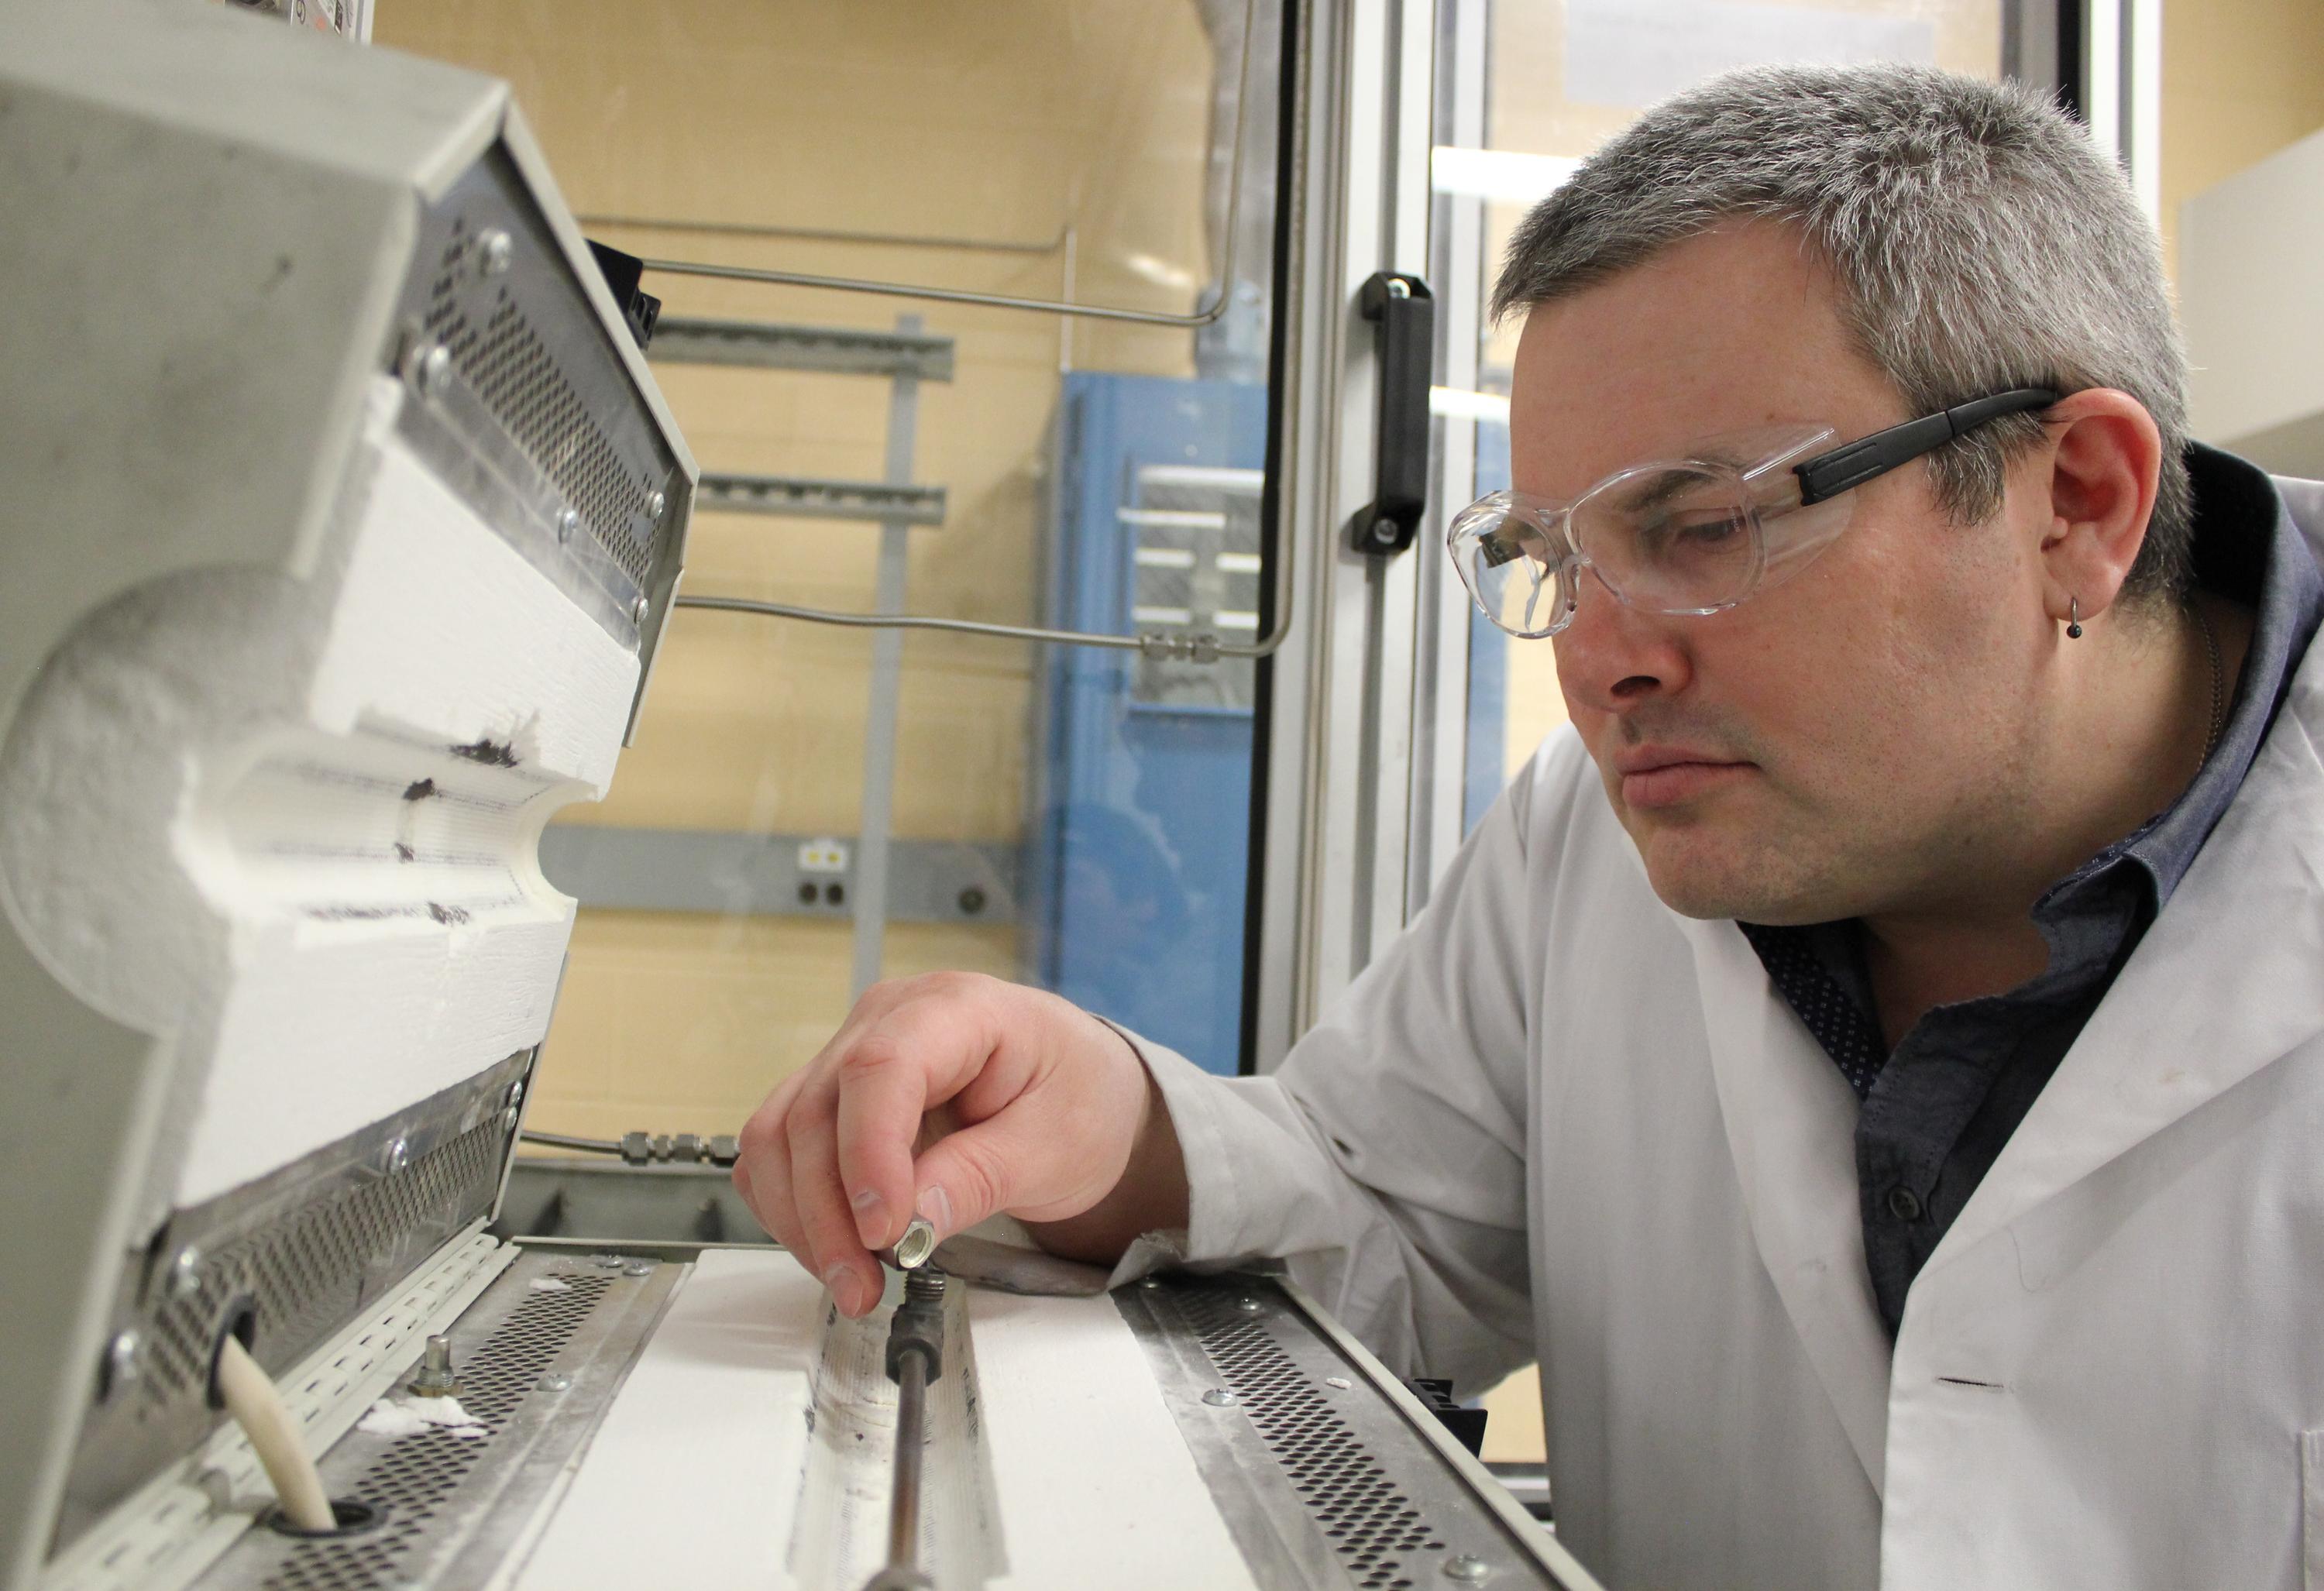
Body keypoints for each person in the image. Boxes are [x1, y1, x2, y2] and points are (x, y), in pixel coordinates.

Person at [732, 62, 2324, 1589]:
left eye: (1703, 523)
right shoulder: (1605, 833)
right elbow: (1387, 1218)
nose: (1599, 653)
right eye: (1554, 554)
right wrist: (1112, 1128)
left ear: (2081, 505)